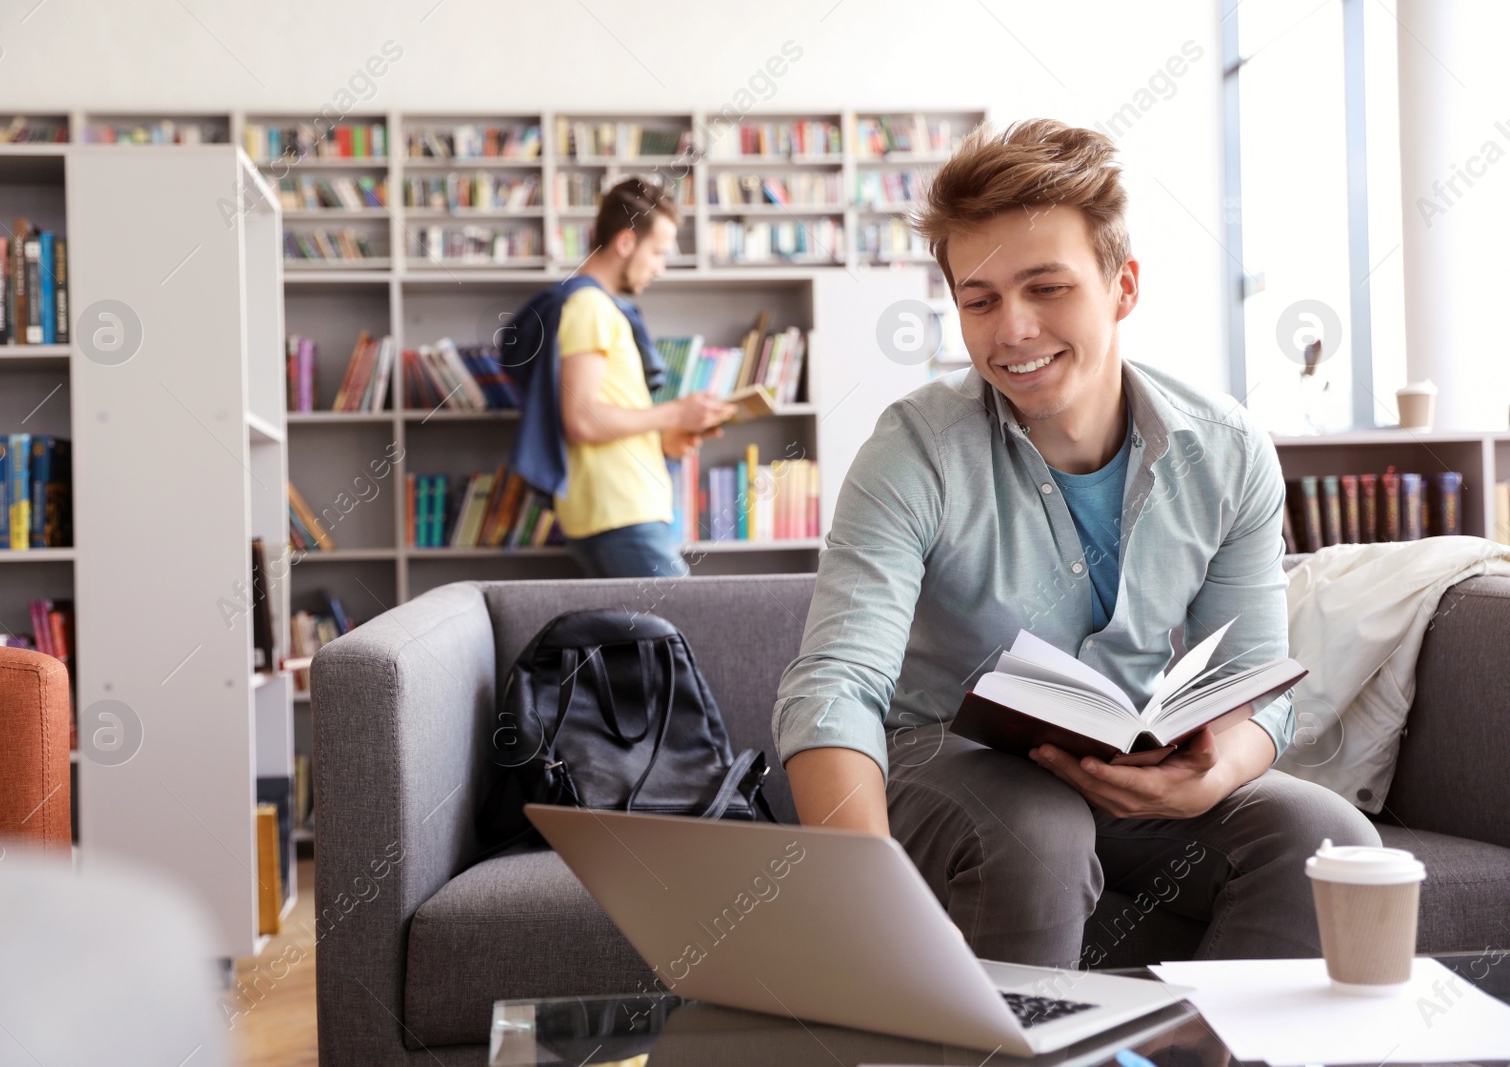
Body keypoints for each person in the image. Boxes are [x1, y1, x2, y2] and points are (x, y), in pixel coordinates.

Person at [771, 119, 1379, 968]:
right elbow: (837, 682)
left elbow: (1257, 685)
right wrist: (870, 892)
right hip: (938, 755)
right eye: (979, 300)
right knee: (1037, 830)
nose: (1011, 329)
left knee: (1326, 836)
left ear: (1121, 286)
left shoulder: (1229, 450)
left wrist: (1212, 771)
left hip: (1120, 769)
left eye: (1046, 288)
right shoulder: (913, 450)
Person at [553, 179, 734, 579]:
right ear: (624, 243)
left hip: (619, 513)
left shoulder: (597, 308)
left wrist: (664, 440)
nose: (660, 267)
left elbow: (602, 413)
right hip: (620, 513)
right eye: (656, 253)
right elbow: (582, 419)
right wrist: (675, 413)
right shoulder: (590, 307)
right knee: (696, 630)